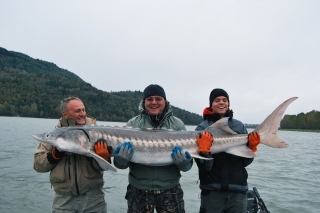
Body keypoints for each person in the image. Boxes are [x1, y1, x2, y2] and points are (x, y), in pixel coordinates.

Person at [113, 84, 192, 213]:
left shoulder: (177, 124)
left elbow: (187, 166)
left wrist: (185, 163)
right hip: (138, 190)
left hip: (170, 190)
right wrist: (120, 161)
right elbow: (121, 166)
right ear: (144, 102)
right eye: (149, 99)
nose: (154, 102)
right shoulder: (132, 124)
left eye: (158, 99)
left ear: (165, 102)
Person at [34, 97, 112, 213]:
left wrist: (104, 158)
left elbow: (105, 168)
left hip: (93, 199)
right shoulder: (56, 135)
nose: (82, 114)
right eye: (77, 111)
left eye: (83, 110)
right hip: (63, 201)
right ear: (65, 114)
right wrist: (55, 154)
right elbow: (38, 165)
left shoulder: (97, 133)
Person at [195, 88, 260, 213]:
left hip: (238, 191)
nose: (221, 102)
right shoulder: (202, 128)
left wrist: (251, 148)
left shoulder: (239, 126)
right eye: (217, 100)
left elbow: (244, 163)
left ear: (228, 104)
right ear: (211, 104)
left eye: (225, 100)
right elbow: (202, 167)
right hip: (212, 191)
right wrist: (204, 153)